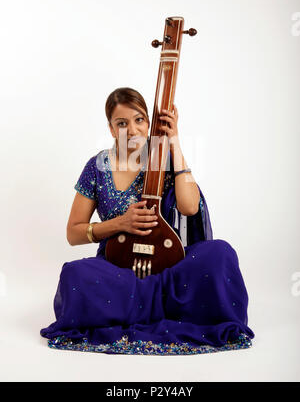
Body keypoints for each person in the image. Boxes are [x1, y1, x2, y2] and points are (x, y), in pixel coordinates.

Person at [40, 87, 255, 355]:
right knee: (75, 274)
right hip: (119, 272)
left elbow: (189, 206)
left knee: (220, 253)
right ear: (110, 128)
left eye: (139, 120)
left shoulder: (164, 160)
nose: (132, 130)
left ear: (149, 122)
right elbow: (74, 233)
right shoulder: (96, 167)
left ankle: (131, 310)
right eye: (122, 123)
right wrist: (120, 223)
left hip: (170, 271)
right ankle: (172, 310)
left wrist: (174, 142)